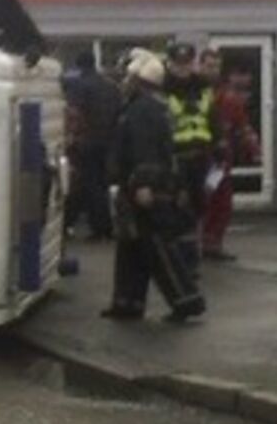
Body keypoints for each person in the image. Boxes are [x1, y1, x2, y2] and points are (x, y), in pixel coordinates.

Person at [104, 49, 206, 324]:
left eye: (128, 76)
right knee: (131, 247)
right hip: (139, 186)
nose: (124, 80)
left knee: (157, 247)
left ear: (138, 78)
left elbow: (145, 149)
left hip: (147, 188)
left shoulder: (143, 109)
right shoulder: (145, 106)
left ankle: (186, 300)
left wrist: (143, 184)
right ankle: (127, 302)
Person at [200, 51, 261, 260]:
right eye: (209, 65)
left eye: (216, 66)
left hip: (219, 159)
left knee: (222, 203)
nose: (213, 70)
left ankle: (213, 244)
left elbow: (242, 126)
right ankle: (196, 245)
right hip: (196, 157)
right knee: (200, 203)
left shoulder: (228, 98)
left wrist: (253, 148)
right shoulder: (194, 92)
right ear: (200, 66)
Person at [163, 44, 218, 272]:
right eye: (178, 64)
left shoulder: (204, 87)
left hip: (201, 156)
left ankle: (191, 258)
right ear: (170, 64)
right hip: (176, 157)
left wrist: (219, 144)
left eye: (187, 63)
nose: (183, 68)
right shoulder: (163, 87)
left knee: (198, 207)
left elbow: (212, 117)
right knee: (178, 208)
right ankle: (180, 260)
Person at [62, 50, 121, 240]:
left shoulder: (79, 85)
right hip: (109, 141)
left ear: (79, 65)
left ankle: (99, 227)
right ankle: (103, 226)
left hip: (87, 141)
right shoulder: (111, 86)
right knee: (101, 184)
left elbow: (74, 113)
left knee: (87, 184)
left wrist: (71, 137)